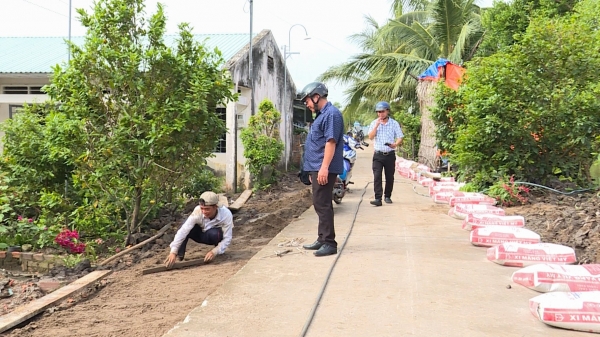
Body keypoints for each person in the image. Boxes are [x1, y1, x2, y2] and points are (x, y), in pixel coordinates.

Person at [297, 82, 345, 257]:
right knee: (319, 202)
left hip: (324, 167)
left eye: (307, 100)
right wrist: (312, 170)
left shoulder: (331, 114)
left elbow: (330, 142)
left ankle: (329, 243)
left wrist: (324, 168)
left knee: (323, 204)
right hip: (317, 167)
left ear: (316, 96)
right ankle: (322, 238)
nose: (306, 104)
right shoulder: (321, 115)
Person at [164, 191, 233, 268]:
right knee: (184, 226)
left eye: (207, 209)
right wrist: (173, 252)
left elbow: (227, 238)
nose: (204, 212)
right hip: (198, 234)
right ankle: (179, 256)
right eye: (202, 208)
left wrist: (214, 252)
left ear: (215, 207)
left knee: (215, 234)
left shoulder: (226, 214)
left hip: (212, 236)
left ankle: (219, 251)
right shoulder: (197, 211)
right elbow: (183, 231)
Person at [367, 101, 404, 206]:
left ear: (387, 111)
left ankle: (387, 196)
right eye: (378, 112)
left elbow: (400, 136)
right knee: (377, 176)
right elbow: (370, 137)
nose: (380, 114)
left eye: (382, 111)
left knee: (389, 176)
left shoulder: (394, 123)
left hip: (389, 154)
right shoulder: (374, 123)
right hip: (378, 155)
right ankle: (378, 198)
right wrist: (376, 126)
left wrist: (395, 144)